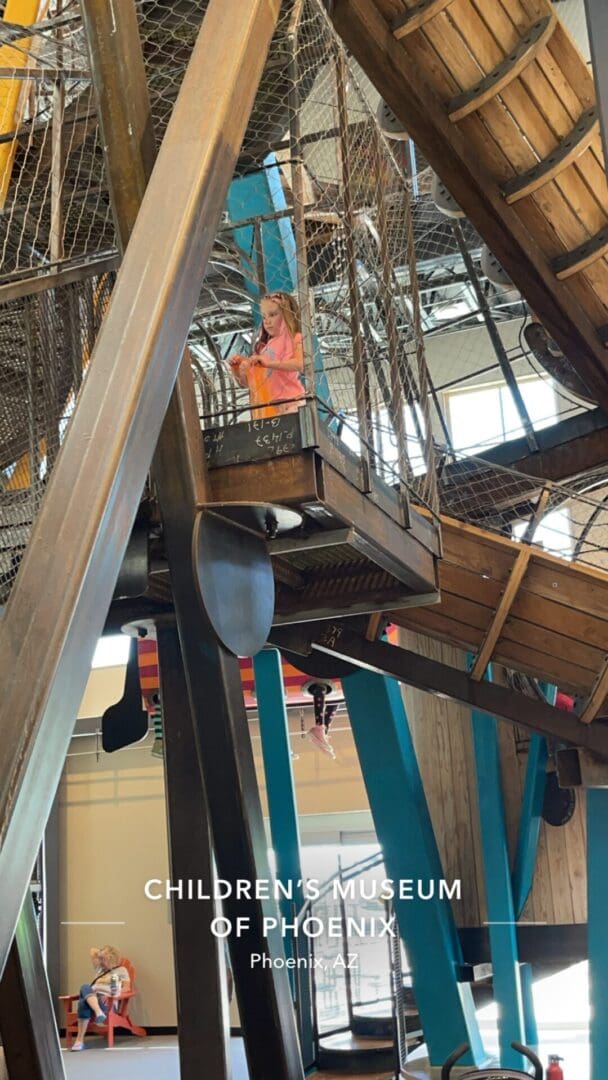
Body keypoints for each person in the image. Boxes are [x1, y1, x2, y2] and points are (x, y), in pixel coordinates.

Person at [229, 291, 304, 418]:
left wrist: (270, 363)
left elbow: (299, 363)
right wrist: (238, 369)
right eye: (264, 317)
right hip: (270, 408)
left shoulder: (294, 338)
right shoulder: (264, 348)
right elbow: (248, 383)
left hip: (292, 402)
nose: (267, 321)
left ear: (287, 315)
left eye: (273, 315)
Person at [71, 945, 131, 1051]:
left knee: (83, 998)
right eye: (102, 959)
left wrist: (110, 995)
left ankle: (79, 1041)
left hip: (107, 1002)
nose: (102, 962)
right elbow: (92, 950)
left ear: (112, 959)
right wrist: (102, 953)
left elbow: (127, 988)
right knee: (85, 989)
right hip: (94, 999)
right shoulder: (100, 970)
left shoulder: (121, 970)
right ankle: (98, 1012)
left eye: (105, 959)